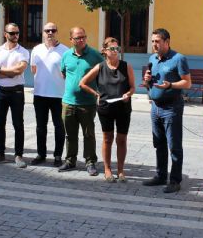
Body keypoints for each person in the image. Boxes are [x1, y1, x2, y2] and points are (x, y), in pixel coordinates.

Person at [79, 37, 136, 182]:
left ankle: (121, 171)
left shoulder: (126, 66)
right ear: (104, 51)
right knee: (107, 138)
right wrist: (96, 94)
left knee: (122, 139)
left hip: (123, 107)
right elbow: (82, 83)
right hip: (105, 108)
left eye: (117, 48)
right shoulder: (100, 67)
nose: (115, 51)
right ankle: (107, 169)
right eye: (112, 49)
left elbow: (132, 87)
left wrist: (128, 94)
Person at [142, 28, 192, 193]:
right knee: (159, 143)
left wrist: (170, 85)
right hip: (155, 107)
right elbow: (150, 83)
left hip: (172, 108)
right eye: (152, 41)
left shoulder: (178, 59)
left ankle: (175, 180)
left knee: (174, 145)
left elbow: (187, 83)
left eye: (157, 41)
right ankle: (161, 175)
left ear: (167, 42)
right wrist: (147, 81)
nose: (154, 44)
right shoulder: (152, 59)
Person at [58, 27, 104, 175]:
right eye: (78, 37)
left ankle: (90, 162)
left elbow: (104, 73)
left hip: (88, 103)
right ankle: (70, 160)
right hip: (68, 102)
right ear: (71, 40)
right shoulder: (66, 55)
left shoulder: (95, 55)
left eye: (84, 36)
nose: (82, 39)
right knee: (70, 134)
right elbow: (64, 73)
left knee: (88, 134)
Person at [0, 23, 30, 167]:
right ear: (5, 34)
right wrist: (8, 73)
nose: (15, 35)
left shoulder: (23, 52)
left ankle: (18, 155)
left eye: (17, 33)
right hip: (1, 91)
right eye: (12, 33)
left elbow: (18, 71)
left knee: (18, 124)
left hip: (17, 91)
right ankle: (0, 153)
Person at [30, 22, 68, 166]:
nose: (50, 33)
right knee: (41, 126)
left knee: (59, 127)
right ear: (43, 32)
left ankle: (58, 156)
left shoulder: (65, 51)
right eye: (47, 30)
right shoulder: (36, 49)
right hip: (40, 94)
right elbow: (33, 69)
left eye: (53, 30)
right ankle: (41, 154)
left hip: (59, 95)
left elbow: (67, 73)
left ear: (57, 32)